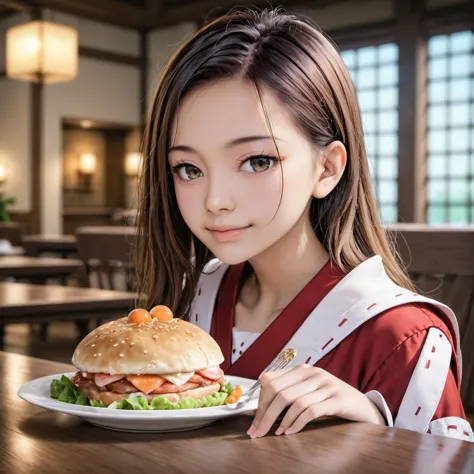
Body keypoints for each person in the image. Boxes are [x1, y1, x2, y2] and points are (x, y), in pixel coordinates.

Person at [135, 8, 473, 441]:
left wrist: (376, 429)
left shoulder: (401, 334)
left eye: (257, 161)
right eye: (188, 168)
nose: (215, 201)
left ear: (327, 168)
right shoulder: (195, 299)